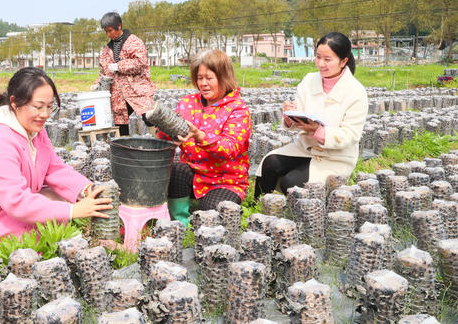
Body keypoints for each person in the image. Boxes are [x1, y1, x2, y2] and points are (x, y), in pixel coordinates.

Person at [0, 67, 112, 258]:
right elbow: (17, 202)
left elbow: (54, 168)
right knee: (42, 232)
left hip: (0, 206)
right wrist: (73, 210)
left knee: (56, 211)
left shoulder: (34, 129)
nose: (45, 114)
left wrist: (88, 191)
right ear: (14, 102)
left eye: (49, 106)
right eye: (38, 107)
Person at [255, 32, 369, 197]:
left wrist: (318, 131)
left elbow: (351, 135)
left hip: (335, 157)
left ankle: (292, 215)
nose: (321, 64)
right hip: (305, 148)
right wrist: (290, 116)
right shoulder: (309, 80)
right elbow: (298, 117)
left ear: (344, 61)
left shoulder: (356, 92)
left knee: (291, 183)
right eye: (318, 57)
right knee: (269, 163)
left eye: (327, 59)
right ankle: (259, 207)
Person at [158, 49, 252, 227]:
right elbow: (167, 134)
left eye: (209, 78)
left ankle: (201, 205)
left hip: (225, 180)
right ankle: (180, 224)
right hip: (195, 173)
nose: (203, 83)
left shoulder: (237, 109)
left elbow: (230, 147)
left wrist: (200, 136)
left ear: (224, 77)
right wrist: (162, 125)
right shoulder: (187, 103)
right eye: (200, 78)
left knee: (211, 211)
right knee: (178, 170)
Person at [91, 12, 156, 136]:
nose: (108, 34)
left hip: (136, 89)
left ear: (119, 26)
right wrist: (97, 84)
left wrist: (119, 66)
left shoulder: (134, 42)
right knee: (121, 122)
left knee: (149, 115)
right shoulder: (106, 50)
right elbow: (103, 71)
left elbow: (140, 62)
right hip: (118, 93)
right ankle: (125, 147)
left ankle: (157, 141)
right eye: (106, 31)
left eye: (110, 30)